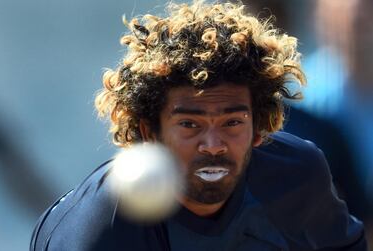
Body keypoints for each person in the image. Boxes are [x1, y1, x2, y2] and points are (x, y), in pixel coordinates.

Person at [30, 1, 367, 250]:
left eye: (232, 122)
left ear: (260, 129)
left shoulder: (298, 178)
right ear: (150, 131)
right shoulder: (101, 227)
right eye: (190, 124)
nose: (213, 144)